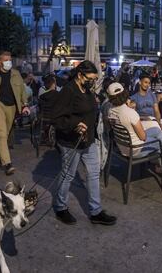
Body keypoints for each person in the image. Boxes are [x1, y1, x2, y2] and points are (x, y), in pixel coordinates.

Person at [52, 60, 117, 226]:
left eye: (95, 79)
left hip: (88, 141)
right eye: (90, 78)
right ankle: (60, 207)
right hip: (70, 142)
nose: (93, 82)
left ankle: (95, 212)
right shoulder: (68, 91)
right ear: (80, 75)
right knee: (68, 175)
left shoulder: (87, 90)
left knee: (94, 174)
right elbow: (57, 118)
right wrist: (75, 124)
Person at [0, 51, 30, 175]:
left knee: (6, 134)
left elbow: (22, 91)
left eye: (10, 60)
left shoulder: (16, 74)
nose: (9, 62)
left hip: (12, 106)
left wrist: (25, 105)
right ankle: (7, 163)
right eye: (6, 60)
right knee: (2, 134)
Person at [107, 82, 162, 172]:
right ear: (124, 94)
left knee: (157, 131)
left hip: (122, 146)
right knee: (160, 143)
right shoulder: (130, 112)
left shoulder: (110, 111)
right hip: (135, 149)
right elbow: (143, 137)